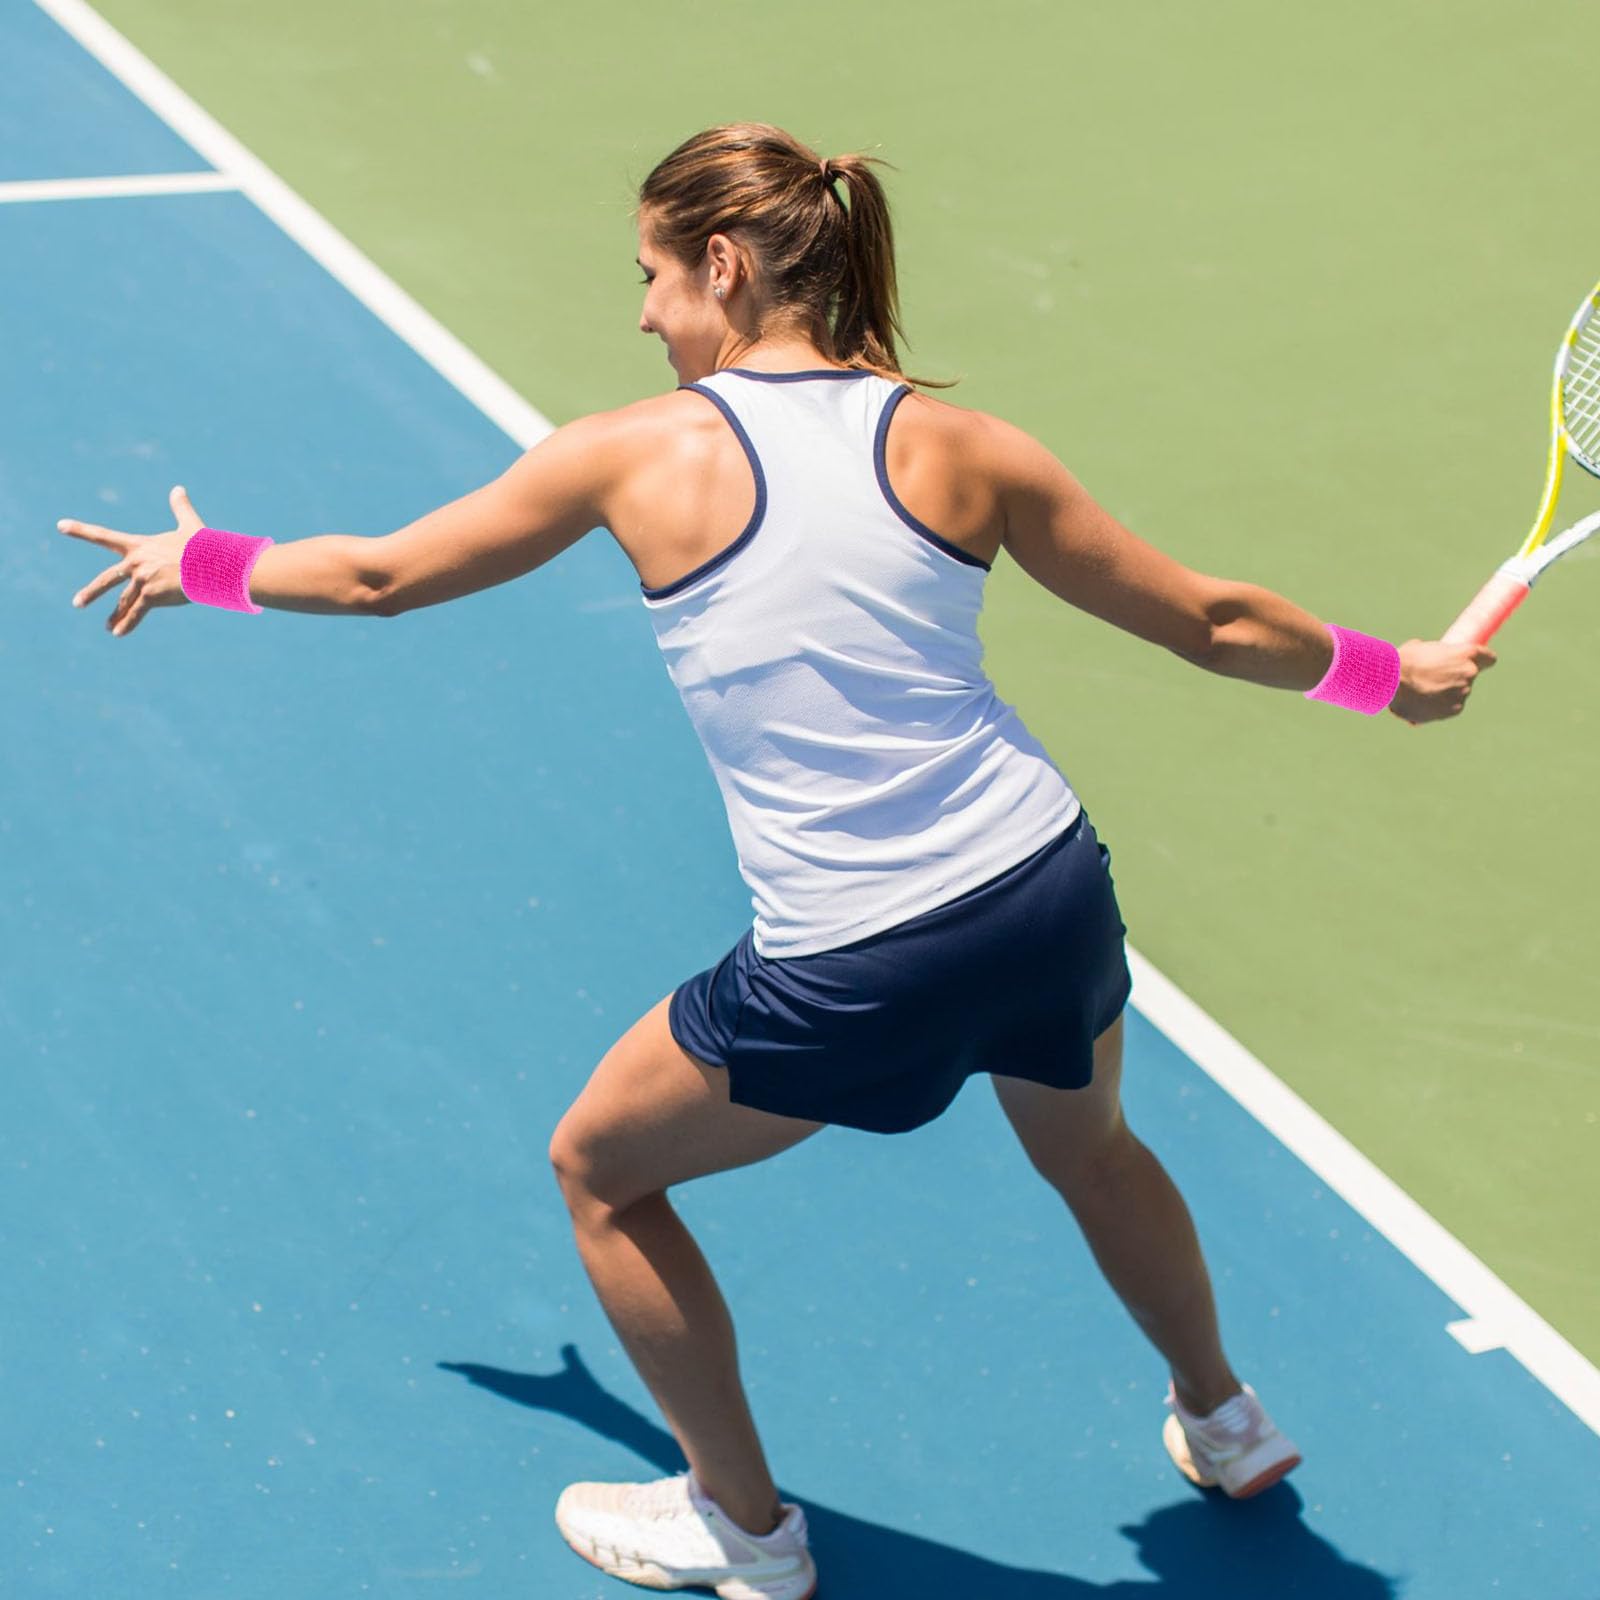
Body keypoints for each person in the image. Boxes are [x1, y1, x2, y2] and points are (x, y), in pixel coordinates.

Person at [60, 122, 1494, 1600]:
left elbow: (379, 579)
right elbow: (1209, 621)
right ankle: (1227, 1419)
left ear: (724, 265)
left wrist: (207, 566)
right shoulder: (962, 444)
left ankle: (746, 1531)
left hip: (860, 954)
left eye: (650, 275)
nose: (643, 314)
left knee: (599, 1173)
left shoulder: (634, 451)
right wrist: (1391, 675)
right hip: (1043, 888)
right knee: (1091, 1149)